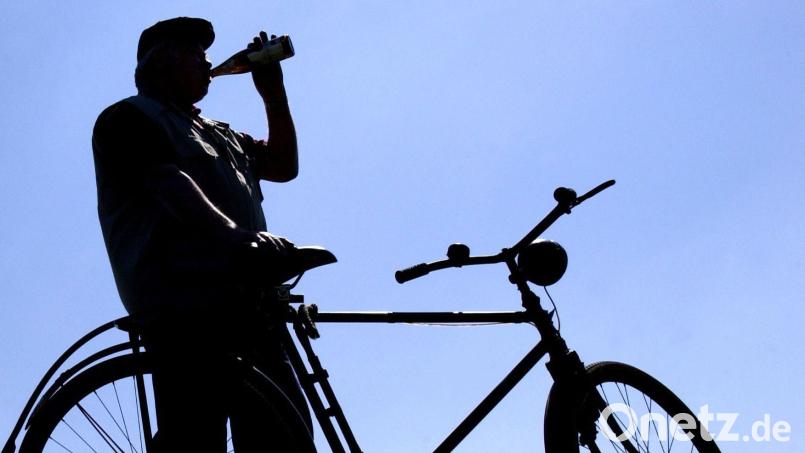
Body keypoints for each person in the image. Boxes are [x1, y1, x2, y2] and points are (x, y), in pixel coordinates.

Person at [92, 17, 313, 451]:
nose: (207, 60)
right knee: (195, 438)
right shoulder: (128, 118)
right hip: (184, 307)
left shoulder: (220, 131)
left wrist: (273, 94)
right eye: (192, 51)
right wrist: (235, 236)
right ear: (158, 64)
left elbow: (284, 165)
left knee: (284, 436)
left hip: (248, 301)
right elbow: (168, 183)